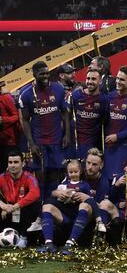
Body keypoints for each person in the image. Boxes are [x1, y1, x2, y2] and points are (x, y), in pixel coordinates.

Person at [19, 61, 70, 200]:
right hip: (39, 142)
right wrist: (31, 143)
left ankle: (54, 205)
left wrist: (67, 133)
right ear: (34, 75)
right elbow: (25, 120)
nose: (46, 76)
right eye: (42, 74)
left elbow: (65, 112)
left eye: (47, 73)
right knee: (41, 176)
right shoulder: (26, 94)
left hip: (56, 140)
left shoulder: (58, 89)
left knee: (58, 174)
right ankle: (42, 208)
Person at [37, 159, 102, 255]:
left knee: (85, 205)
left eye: (76, 172)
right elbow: (53, 194)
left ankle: (70, 243)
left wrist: (85, 197)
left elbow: (93, 203)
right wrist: (59, 194)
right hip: (64, 216)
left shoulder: (85, 185)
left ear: (80, 171)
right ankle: (48, 243)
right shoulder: (64, 184)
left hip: (80, 216)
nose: (73, 174)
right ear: (67, 173)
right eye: (71, 172)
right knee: (47, 206)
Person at [103, 66, 127, 182]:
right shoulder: (109, 96)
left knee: (118, 179)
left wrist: (118, 136)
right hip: (107, 145)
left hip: (123, 147)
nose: (118, 82)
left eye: (122, 80)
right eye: (117, 78)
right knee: (106, 178)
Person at [0, 151, 40, 248]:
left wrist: (15, 207)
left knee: (33, 204)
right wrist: (3, 206)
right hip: (8, 213)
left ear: (23, 163)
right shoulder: (2, 177)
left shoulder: (29, 177)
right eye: (10, 162)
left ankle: (23, 237)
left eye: (16, 162)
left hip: (23, 214)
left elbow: (35, 193)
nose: (13, 165)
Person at [67, 69, 108, 160]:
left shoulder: (104, 100)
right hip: (74, 143)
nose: (89, 82)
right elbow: (67, 116)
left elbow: (105, 121)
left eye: (93, 79)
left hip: (92, 144)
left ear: (100, 81)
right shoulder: (76, 95)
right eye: (88, 78)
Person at [0, 82, 20, 173]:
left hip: (8, 141)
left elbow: (17, 116)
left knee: (8, 169)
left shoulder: (5, 98)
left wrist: (3, 120)